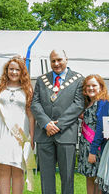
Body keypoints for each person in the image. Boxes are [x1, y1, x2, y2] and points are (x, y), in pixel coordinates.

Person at [31, 49, 84, 194]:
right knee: (46, 177)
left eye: (59, 60)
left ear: (66, 59)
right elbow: (35, 104)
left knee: (67, 177)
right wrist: (47, 123)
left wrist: (58, 125)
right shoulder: (42, 80)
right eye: (53, 60)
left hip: (67, 134)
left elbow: (78, 105)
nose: (56, 63)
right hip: (44, 134)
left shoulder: (79, 79)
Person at [0, 56, 35, 194]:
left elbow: (31, 115)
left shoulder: (27, 90)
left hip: (20, 134)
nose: (13, 72)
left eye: (17, 70)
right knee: (3, 171)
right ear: (6, 70)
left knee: (18, 170)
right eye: (11, 69)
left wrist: (32, 136)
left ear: (22, 72)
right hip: (1, 133)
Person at [77, 74, 109, 194]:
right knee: (89, 177)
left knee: (97, 179)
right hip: (85, 146)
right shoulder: (88, 104)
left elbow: (101, 127)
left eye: (94, 85)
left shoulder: (103, 103)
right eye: (88, 86)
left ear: (101, 87)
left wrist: (93, 151)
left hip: (96, 148)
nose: (91, 88)